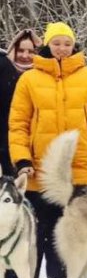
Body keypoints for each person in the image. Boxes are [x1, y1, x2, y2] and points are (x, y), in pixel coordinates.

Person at [8, 22, 87, 278]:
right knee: (50, 230)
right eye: (56, 43)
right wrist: (22, 160)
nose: (62, 48)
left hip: (85, 167)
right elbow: (17, 124)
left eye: (66, 43)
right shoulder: (29, 80)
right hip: (42, 171)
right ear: (48, 44)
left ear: (73, 45)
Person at [1, 29, 41, 173]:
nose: (25, 56)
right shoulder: (3, 69)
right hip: (5, 143)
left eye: (30, 51)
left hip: (34, 146)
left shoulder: (43, 74)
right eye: (20, 50)